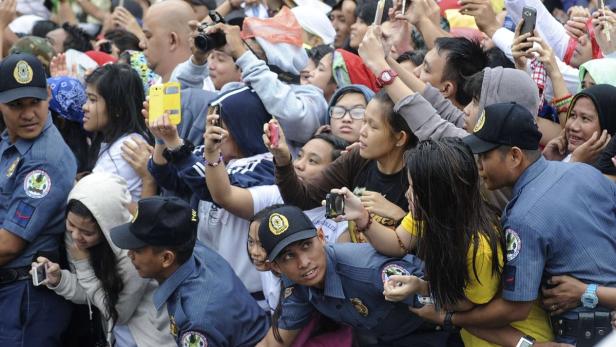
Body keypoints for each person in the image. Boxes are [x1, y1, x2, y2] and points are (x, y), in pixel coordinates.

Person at [334, 137, 553, 346]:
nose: (407, 194)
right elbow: (398, 242)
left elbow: (468, 306)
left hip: (513, 337)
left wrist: (424, 289)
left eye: (414, 188)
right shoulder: (432, 211)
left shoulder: (479, 248)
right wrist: (362, 217)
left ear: (437, 194)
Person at [458, 102, 616, 346]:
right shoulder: (584, 172)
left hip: (585, 333)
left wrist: (453, 317)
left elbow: (516, 308)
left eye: (485, 155)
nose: (479, 165)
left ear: (514, 156)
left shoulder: (523, 217)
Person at [255, 205, 450, 347]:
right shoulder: (296, 281)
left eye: (306, 245)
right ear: (276, 267)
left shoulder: (369, 270)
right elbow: (274, 343)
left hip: (430, 333)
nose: (304, 262)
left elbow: (444, 300)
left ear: (321, 238)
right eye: (289, 256)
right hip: (377, 339)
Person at [33, 173, 174, 347]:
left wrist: (83, 265)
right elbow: (92, 293)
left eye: (87, 232)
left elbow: (116, 313)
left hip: (144, 338)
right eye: (71, 225)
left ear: (108, 225)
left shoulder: (134, 254)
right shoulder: (80, 239)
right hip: (116, 336)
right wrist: (60, 280)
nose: (76, 236)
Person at [110, 196, 270, 346]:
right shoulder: (188, 247)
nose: (129, 254)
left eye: (137, 250)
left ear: (166, 258)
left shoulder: (196, 320)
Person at [268, 90, 417, 244]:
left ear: (400, 138)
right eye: (364, 121)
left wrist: (399, 216)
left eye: (373, 126)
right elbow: (302, 198)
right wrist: (283, 159)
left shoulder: (418, 176)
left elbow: (425, 247)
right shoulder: (357, 158)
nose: (362, 131)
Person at [0, 53, 75, 346]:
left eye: (35, 102)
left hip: (25, 299)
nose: (28, 114)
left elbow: (9, 245)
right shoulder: (12, 139)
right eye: (16, 105)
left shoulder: (45, 160)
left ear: (48, 94)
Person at [82, 63, 154, 201]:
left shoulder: (126, 148)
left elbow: (88, 201)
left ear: (117, 109)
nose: (85, 106)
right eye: (87, 98)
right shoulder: (113, 138)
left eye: (92, 100)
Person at [543, 84, 615, 164]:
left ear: (607, 126)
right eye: (572, 115)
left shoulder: (609, 173)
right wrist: (549, 162)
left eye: (585, 118)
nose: (573, 126)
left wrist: (575, 163)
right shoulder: (566, 158)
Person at [139, 0, 196, 82]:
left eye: (148, 36)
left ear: (172, 40)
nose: (141, 44)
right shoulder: (159, 84)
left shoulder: (199, 90)